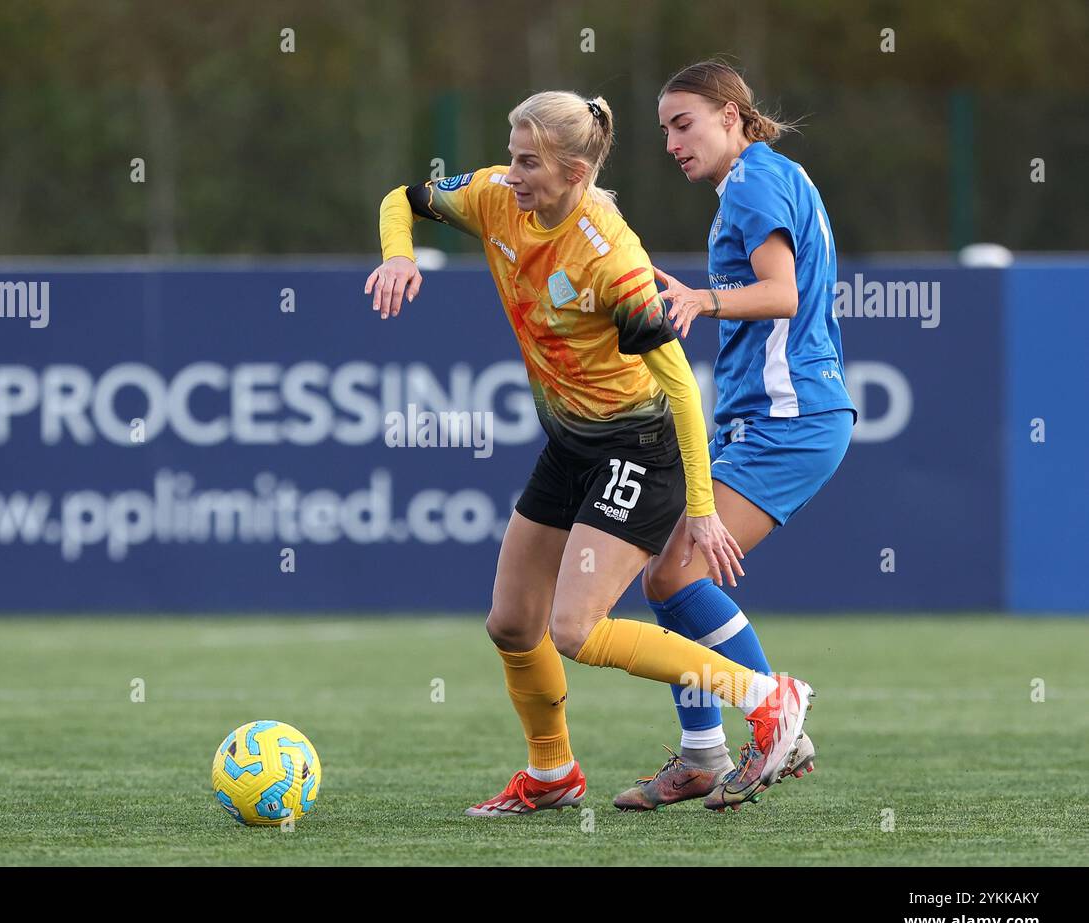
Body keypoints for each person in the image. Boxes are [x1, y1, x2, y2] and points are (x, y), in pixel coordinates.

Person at [366, 89, 813, 816]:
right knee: (512, 622)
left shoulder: (612, 258)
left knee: (574, 629)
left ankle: (767, 696)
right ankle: (552, 775)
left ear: (575, 172)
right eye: (511, 155)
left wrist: (701, 510)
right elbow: (400, 198)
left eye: (528, 162)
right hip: (571, 443)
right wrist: (398, 257)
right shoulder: (494, 197)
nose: (510, 174)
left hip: (641, 449)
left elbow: (680, 389)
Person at [612, 60, 855, 812]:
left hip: (792, 417)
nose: (671, 143)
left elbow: (780, 293)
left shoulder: (753, 182)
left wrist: (700, 298)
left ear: (731, 115)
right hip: (778, 417)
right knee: (669, 576)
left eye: (683, 124)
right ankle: (702, 753)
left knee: (676, 574)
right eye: (663, 131)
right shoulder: (762, 178)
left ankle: (774, 714)